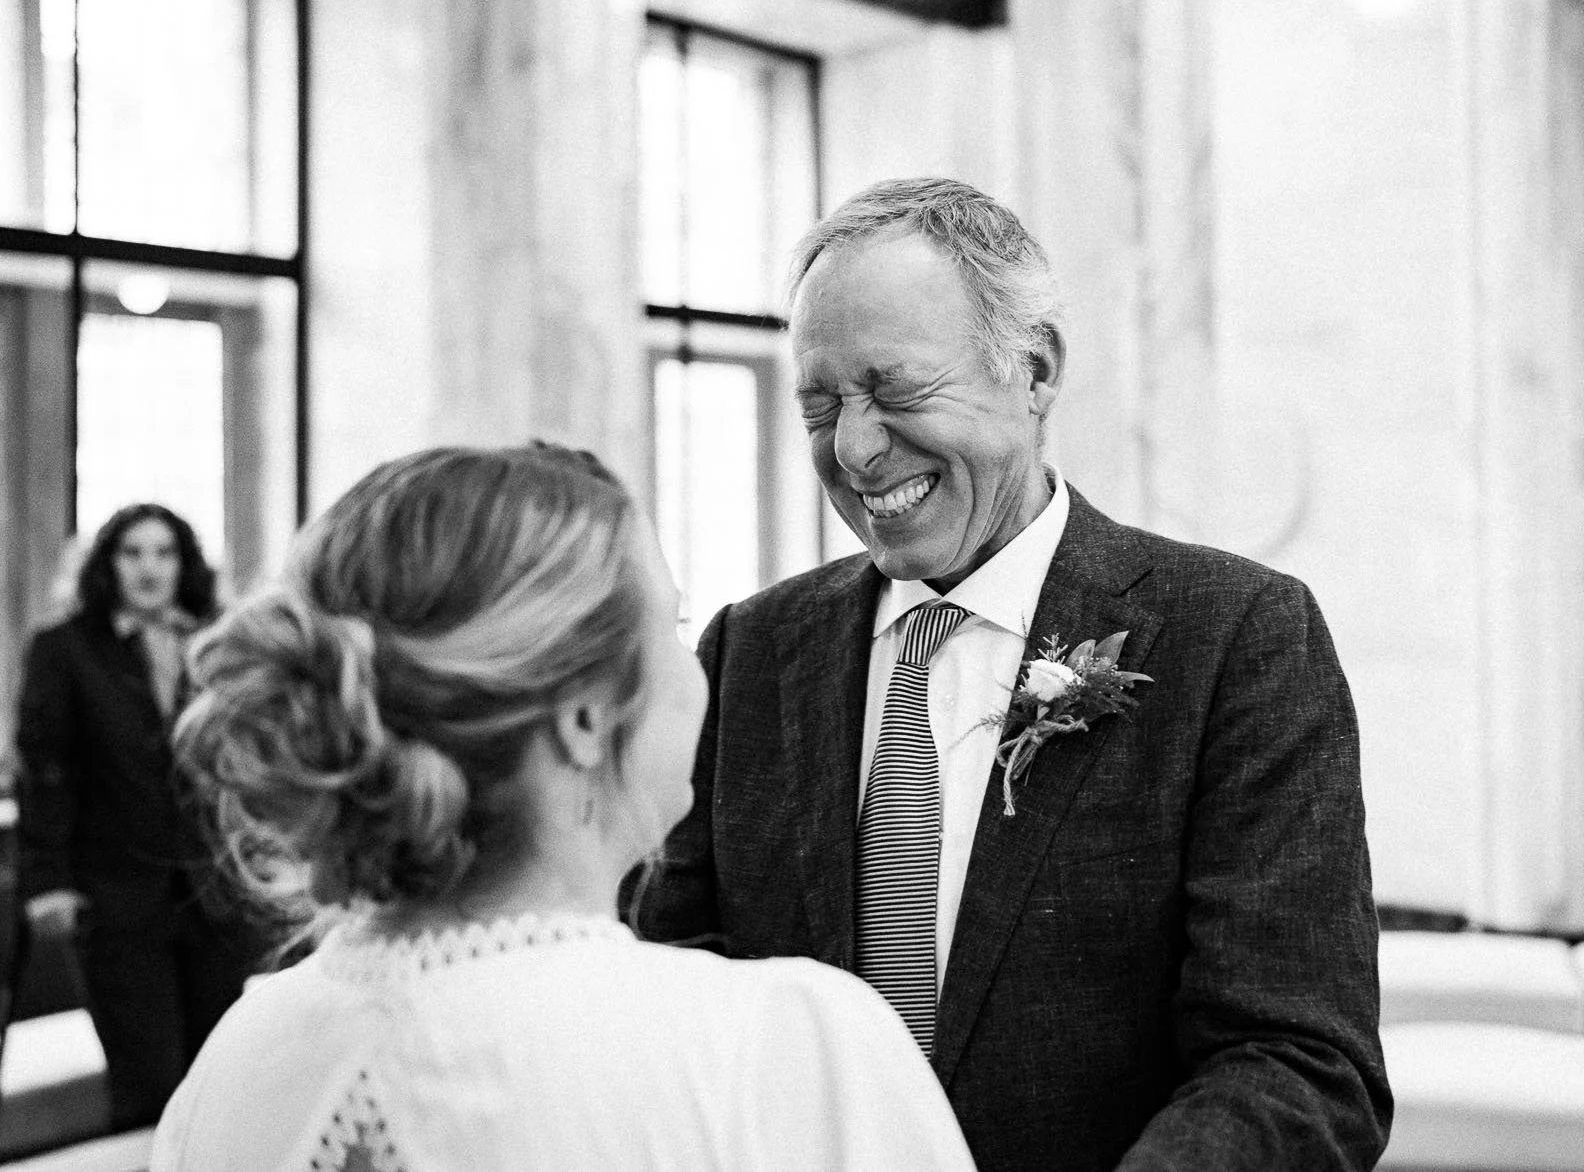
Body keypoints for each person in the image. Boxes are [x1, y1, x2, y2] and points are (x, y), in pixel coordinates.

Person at [635, 178, 1393, 1172]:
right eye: (820, 405)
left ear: (1034, 371)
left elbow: (1298, 1062)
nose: (854, 448)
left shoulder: (1234, 638)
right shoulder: (748, 653)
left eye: (897, 391)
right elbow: (672, 992)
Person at [151, 444, 974, 1172]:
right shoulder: (775, 1050)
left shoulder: (238, 1063)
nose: (698, 669)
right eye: (672, 626)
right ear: (584, 716)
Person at [14, 504, 256, 1131]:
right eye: (133, 552)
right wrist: (48, 881)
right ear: (108, 565)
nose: (150, 568)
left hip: (213, 899)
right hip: (117, 896)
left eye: (165, 552)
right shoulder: (64, 648)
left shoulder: (218, 642)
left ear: (186, 563)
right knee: (149, 1084)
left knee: (219, 1081)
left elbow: (250, 754)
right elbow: (45, 770)